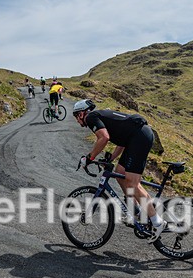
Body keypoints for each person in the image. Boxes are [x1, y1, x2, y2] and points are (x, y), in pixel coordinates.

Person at [71, 99, 166, 242]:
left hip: (139, 137)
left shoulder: (91, 117)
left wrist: (89, 158)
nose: (78, 122)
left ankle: (157, 222)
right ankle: (135, 212)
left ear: (81, 113)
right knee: (120, 173)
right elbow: (121, 143)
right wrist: (110, 159)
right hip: (136, 137)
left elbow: (104, 138)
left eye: (76, 117)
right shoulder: (102, 117)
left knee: (132, 184)